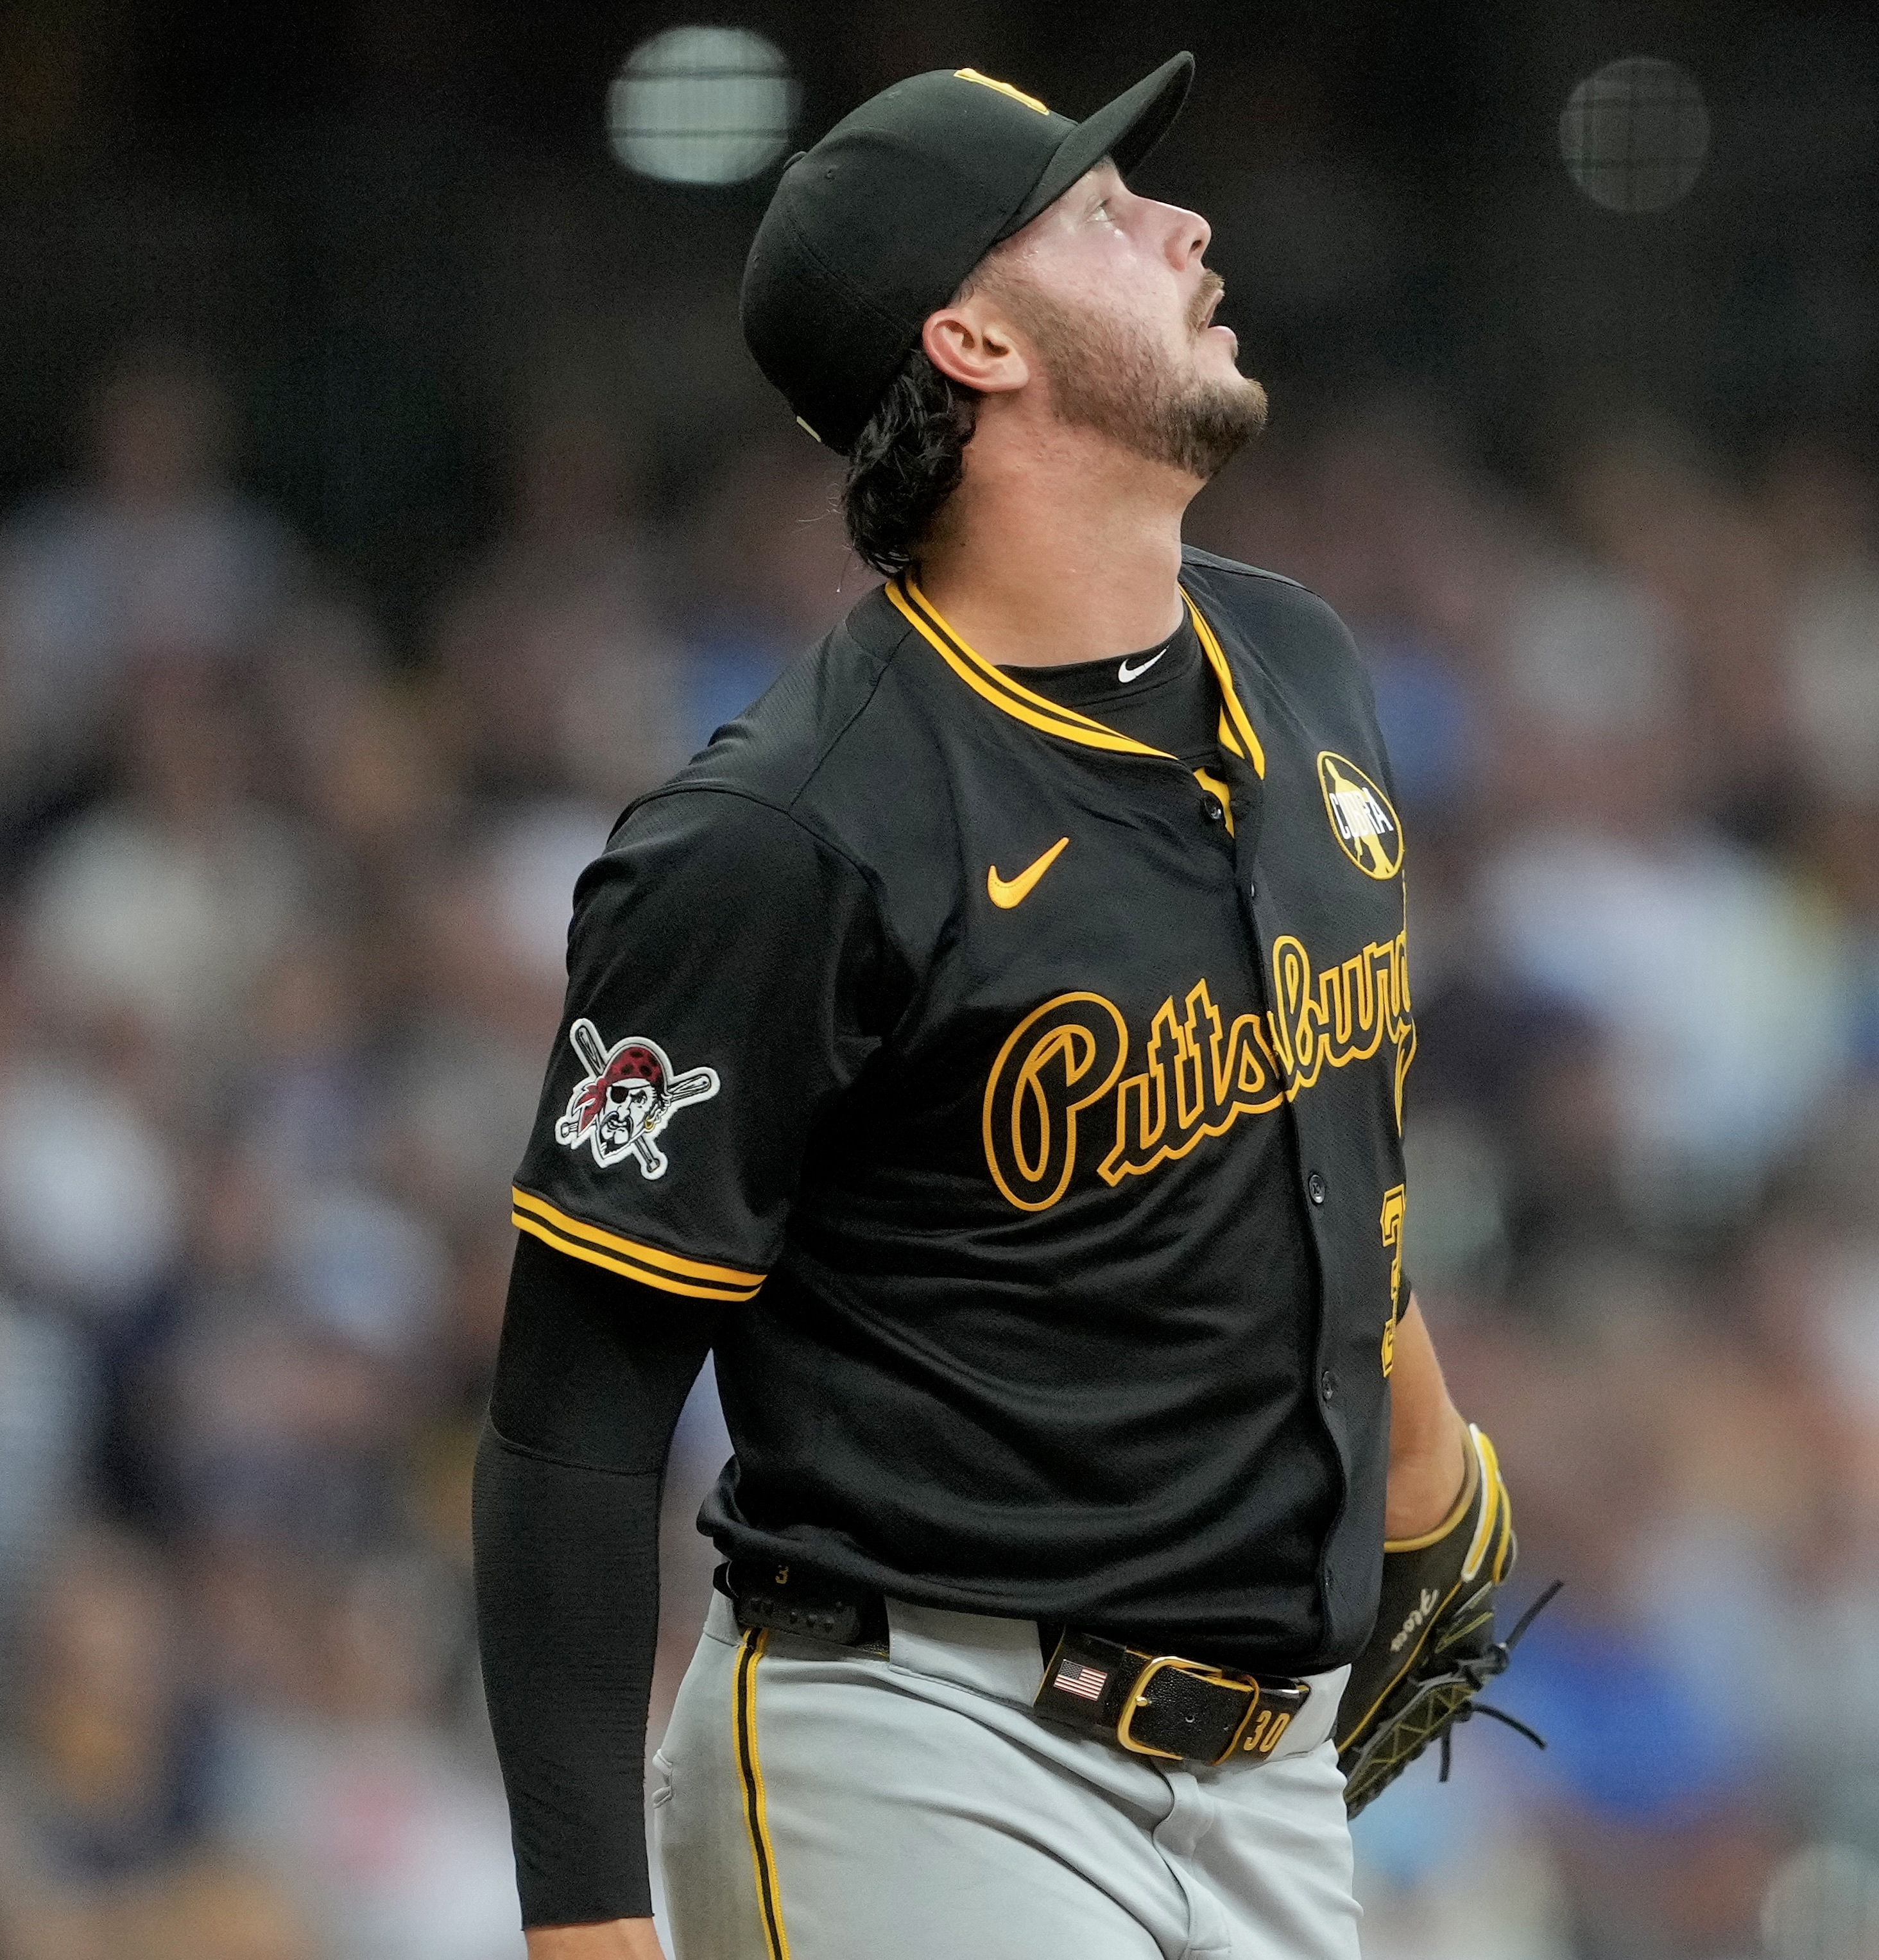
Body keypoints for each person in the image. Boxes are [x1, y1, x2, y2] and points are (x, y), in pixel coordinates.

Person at [468, 54, 1512, 1960]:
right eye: (1103, 215)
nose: (1184, 225)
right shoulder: (783, 836)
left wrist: (1423, 1457)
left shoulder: (1294, 657)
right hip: (921, 1743)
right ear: (974, 340)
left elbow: (1305, 1117)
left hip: (1268, 1775)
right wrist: (588, 1933)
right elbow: (569, 1423)